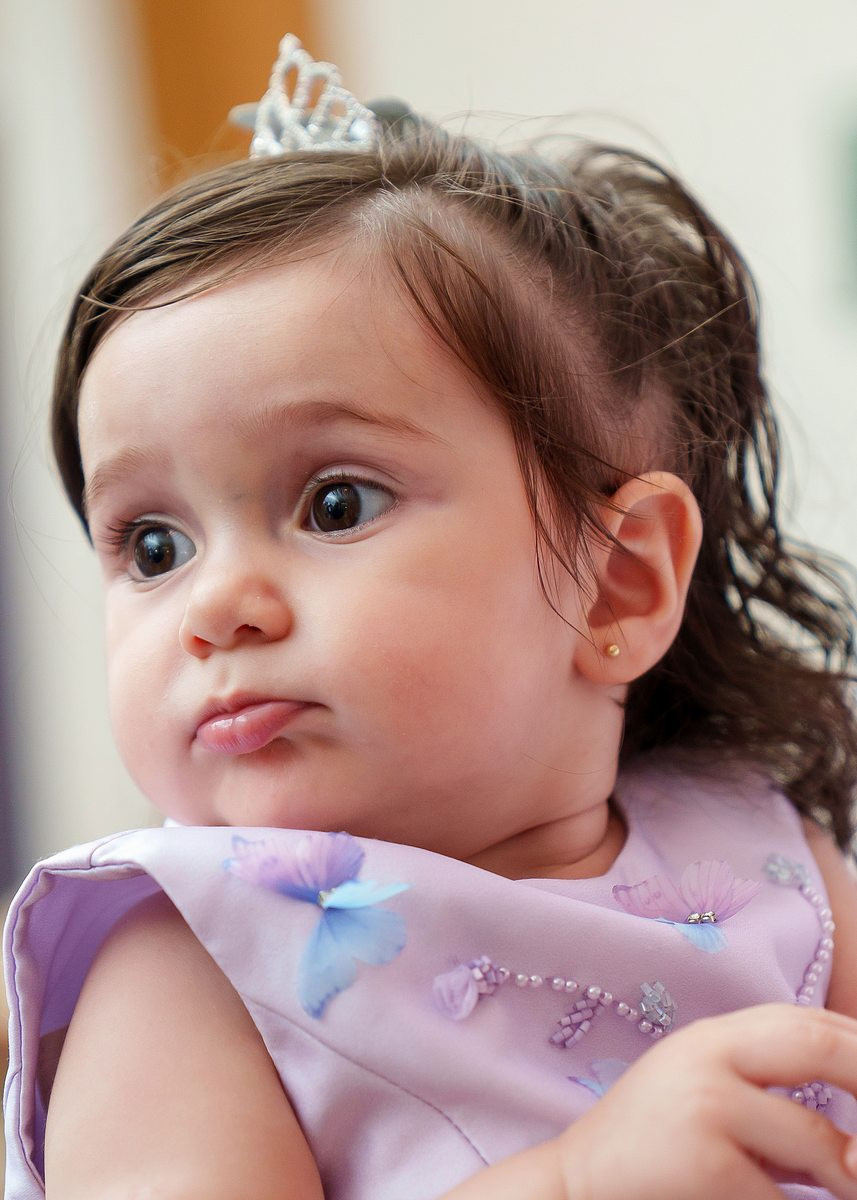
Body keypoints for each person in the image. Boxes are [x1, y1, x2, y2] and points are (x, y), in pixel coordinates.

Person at [4, 33, 857, 1200]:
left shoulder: (757, 852)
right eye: (154, 546)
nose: (214, 607)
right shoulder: (187, 960)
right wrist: (573, 1183)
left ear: (618, 581)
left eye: (334, 504)